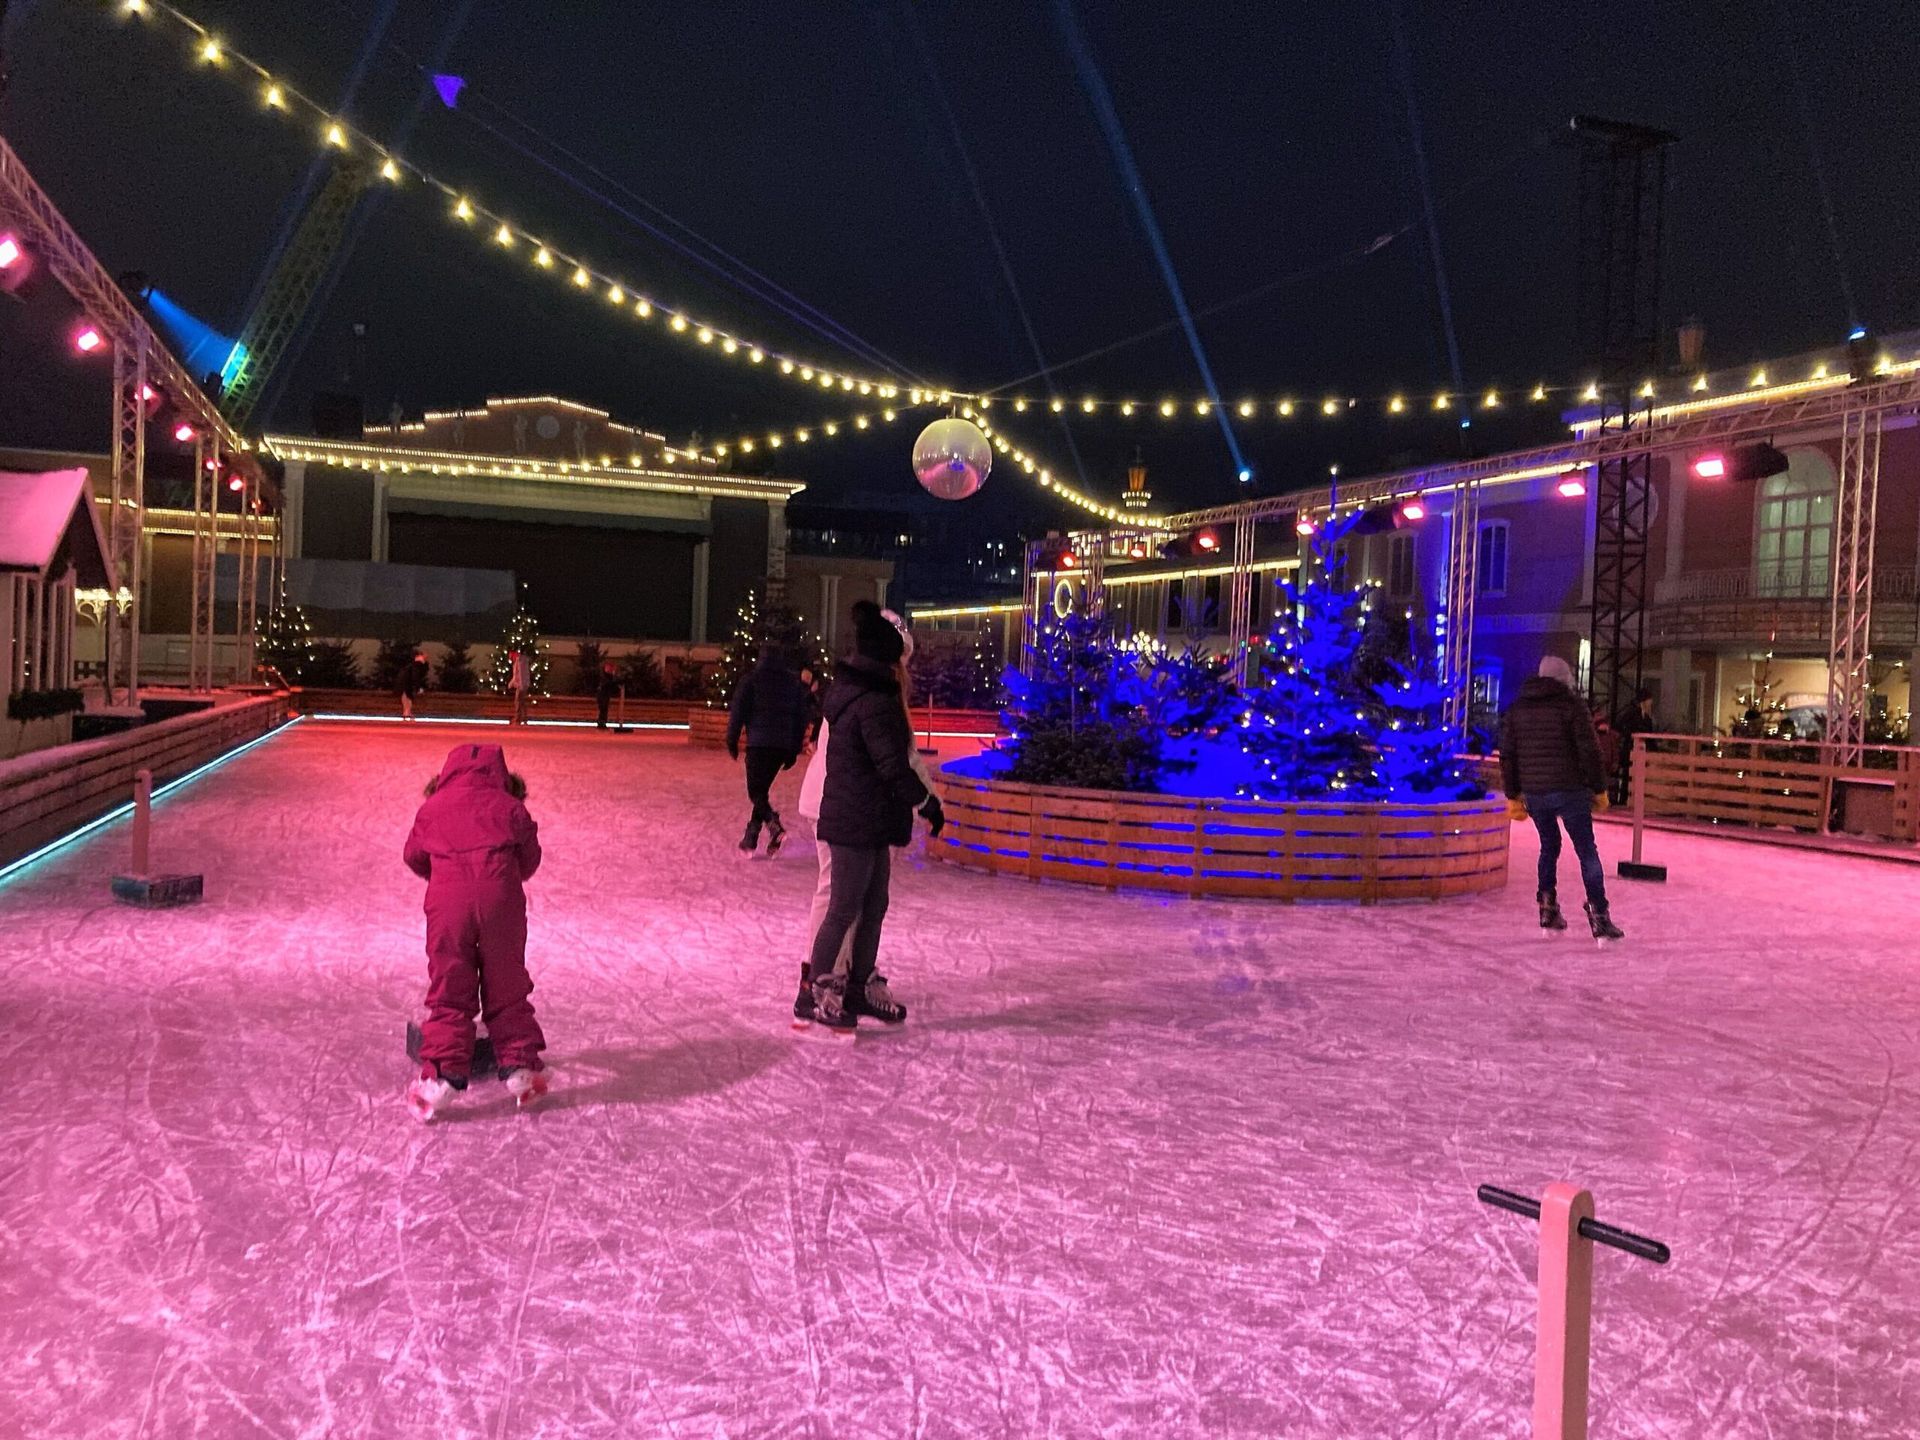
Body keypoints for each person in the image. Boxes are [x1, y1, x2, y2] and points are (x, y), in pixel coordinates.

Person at [793, 609, 942, 1028]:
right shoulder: (870, 698)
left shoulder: (865, 693)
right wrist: (926, 801)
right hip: (844, 809)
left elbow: (898, 759)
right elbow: (895, 761)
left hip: (863, 809)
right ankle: (817, 986)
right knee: (839, 900)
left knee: (869, 903)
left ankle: (851, 983)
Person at [402, 743, 549, 1120]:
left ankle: (443, 1077)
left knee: (451, 987)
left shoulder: (431, 809)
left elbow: (414, 856)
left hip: (448, 907)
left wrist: (444, 874)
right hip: (502, 903)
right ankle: (519, 1069)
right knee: (507, 984)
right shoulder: (511, 808)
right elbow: (530, 858)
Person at [1499, 655, 1624, 941]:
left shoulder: (1518, 709)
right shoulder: (1571, 705)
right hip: (1570, 790)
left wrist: (1514, 794)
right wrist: (1599, 788)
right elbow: (1590, 751)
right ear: (1564, 679)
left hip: (1536, 792)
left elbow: (1508, 755)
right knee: (1586, 850)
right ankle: (1599, 916)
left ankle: (1547, 908)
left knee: (1549, 845)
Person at [727, 645, 814, 856]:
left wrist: (732, 738)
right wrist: (793, 749)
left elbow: (738, 711)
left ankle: (773, 825)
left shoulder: (751, 680)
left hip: (758, 744)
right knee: (762, 791)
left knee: (755, 792)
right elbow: (800, 718)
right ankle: (751, 837)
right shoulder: (792, 684)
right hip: (781, 748)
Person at [1613, 688, 1658, 803]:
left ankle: (1633, 801)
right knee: (1628, 776)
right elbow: (1619, 725)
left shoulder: (1647, 718)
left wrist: (1655, 751)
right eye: (1649, 700)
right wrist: (1630, 735)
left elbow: (1650, 736)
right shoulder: (1632, 713)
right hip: (1630, 750)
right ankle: (1624, 800)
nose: (1651, 703)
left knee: (1637, 778)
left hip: (1641, 752)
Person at [398, 649, 429, 721]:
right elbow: (416, 675)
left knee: (406, 695)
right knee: (408, 696)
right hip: (408, 681)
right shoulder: (418, 664)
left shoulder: (412, 665)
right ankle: (407, 712)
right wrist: (418, 687)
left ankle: (406, 712)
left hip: (404, 681)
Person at [508, 648, 532, 726]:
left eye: (511, 655)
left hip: (522, 685)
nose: (510, 657)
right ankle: (523, 718)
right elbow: (516, 675)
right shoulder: (519, 661)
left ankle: (518, 719)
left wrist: (521, 685)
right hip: (522, 685)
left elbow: (521, 675)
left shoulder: (520, 662)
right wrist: (511, 683)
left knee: (518, 702)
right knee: (521, 702)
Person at [595, 660, 621, 730]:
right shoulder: (604, 676)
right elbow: (607, 684)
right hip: (602, 695)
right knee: (603, 709)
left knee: (604, 709)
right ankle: (601, 723)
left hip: (605, 695)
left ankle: (602, 722)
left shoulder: (609, 676)